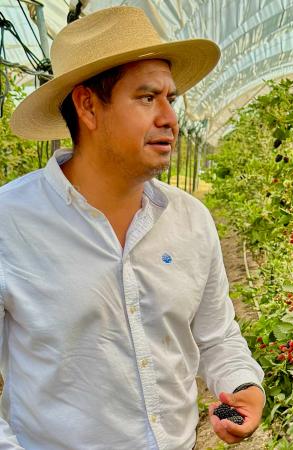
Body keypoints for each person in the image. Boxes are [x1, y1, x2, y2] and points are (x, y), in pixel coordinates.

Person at [2, 6, 265, 449]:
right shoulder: (11, 223)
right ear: (88, 106)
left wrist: (242, 385)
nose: (169, 118)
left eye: (170, 99)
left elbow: (217, 335)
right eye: (147, 98)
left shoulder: (191, 220)